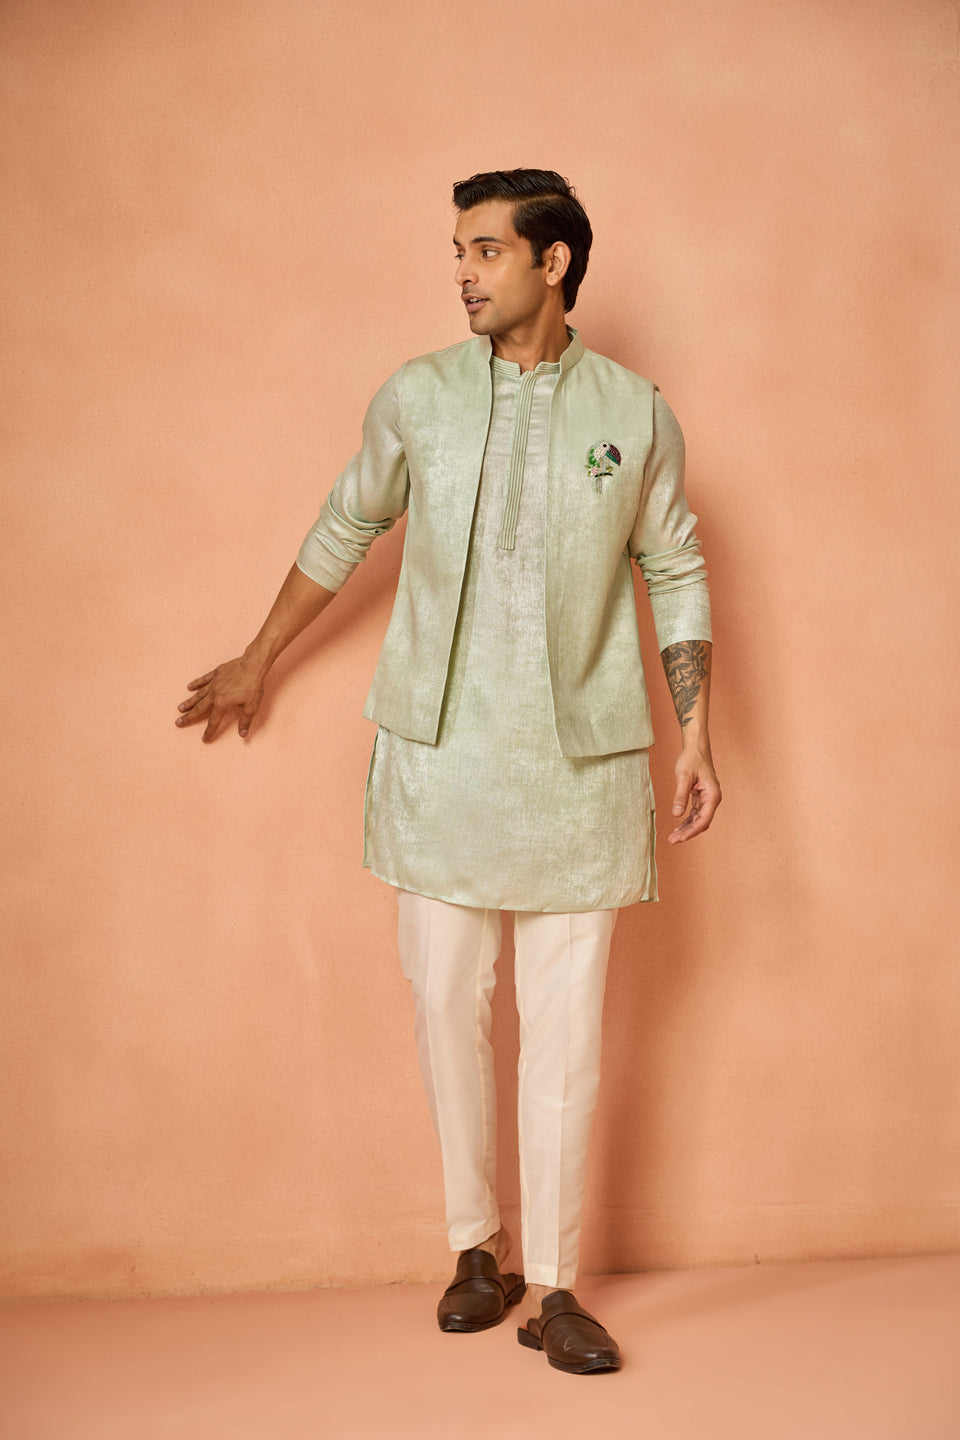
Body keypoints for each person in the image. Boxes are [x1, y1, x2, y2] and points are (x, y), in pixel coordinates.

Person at [176, 168, 720, 1375]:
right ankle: (478, 1248)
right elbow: (347, 523)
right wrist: (259, 657)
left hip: (581, 768)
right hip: (437, 757)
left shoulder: (634, 411)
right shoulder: (417, 395)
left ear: (553, 262)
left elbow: (675, 564)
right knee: (444, 1006)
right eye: (459, 252)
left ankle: (560, 1289)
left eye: (486, 250)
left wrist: (697, 734)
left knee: (566, 1032)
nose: (464, 273)